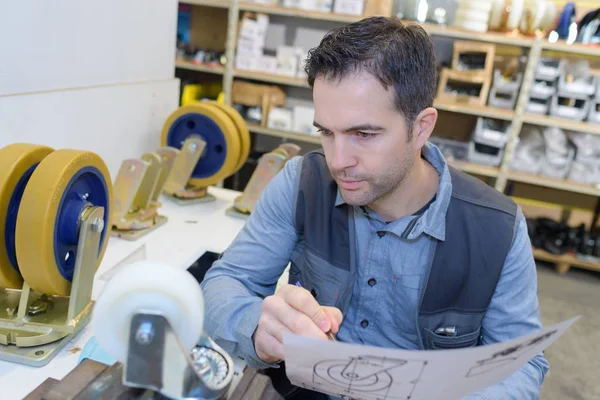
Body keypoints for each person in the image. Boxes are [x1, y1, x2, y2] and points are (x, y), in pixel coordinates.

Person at [200, 16, 549, 399]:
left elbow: (522, 363)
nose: (338, 160)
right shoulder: (302, 183)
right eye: (326, 132)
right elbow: (224, 283)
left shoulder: (497, 229)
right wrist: (257, 327)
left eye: (363, 134)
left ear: (422, 127)